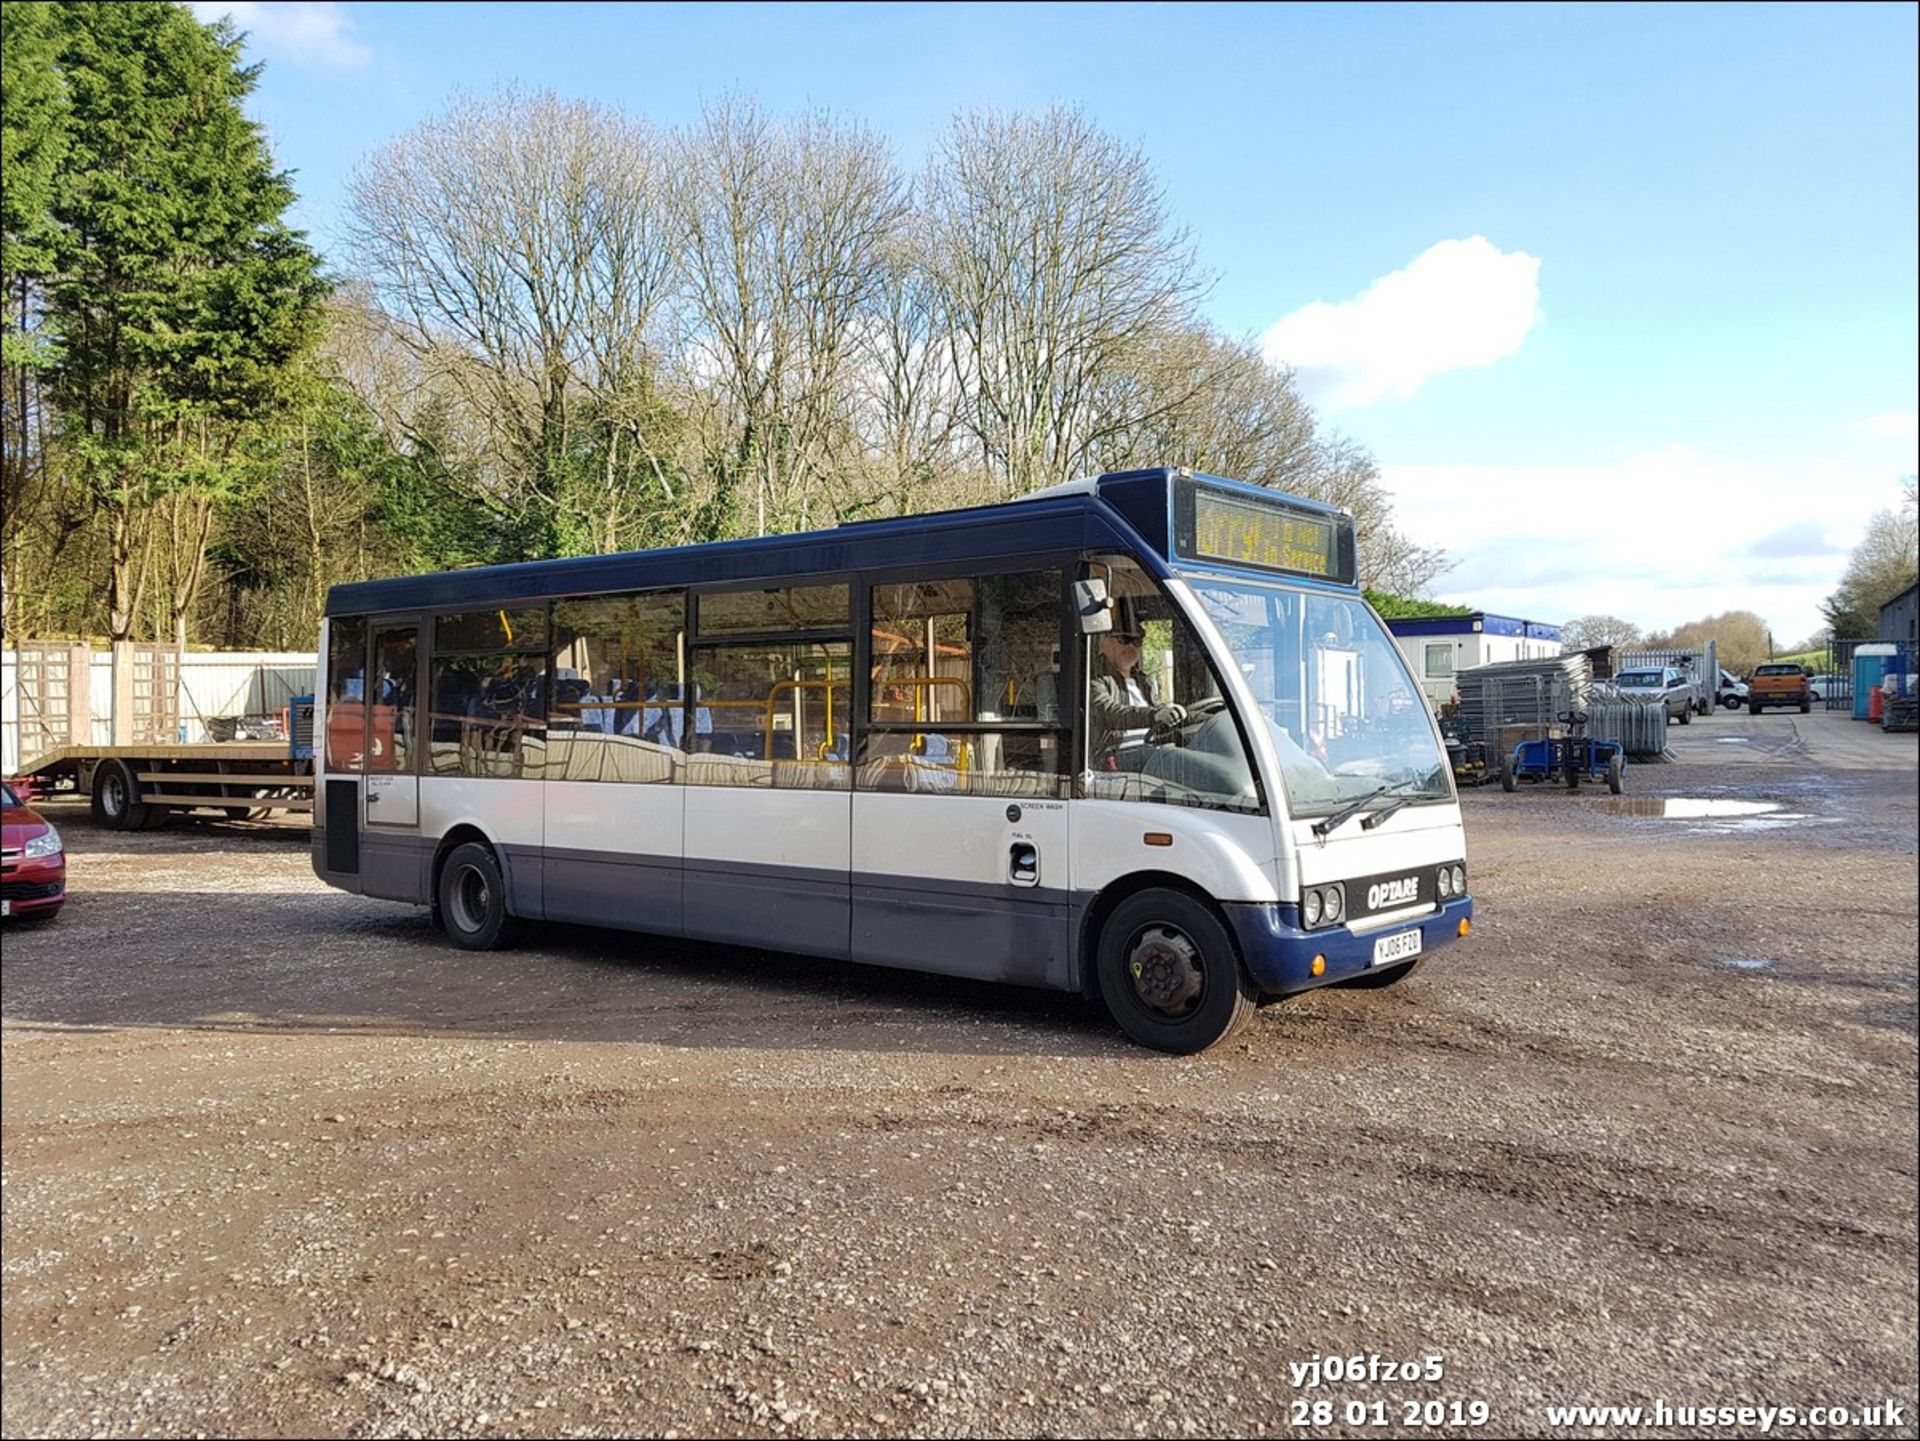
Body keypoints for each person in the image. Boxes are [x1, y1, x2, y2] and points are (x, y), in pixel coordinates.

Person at [1089, 610, 1186, 768]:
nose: (1131, 647)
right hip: (1112, 758)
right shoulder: (1095, 677)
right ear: (1105, 641)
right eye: (1124, 639)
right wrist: (1154, 715)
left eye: (1137, 641)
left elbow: (1159, 710)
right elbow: (1108, 713)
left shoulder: (1144, 681)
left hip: (1147, 750)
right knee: (1177, 762)